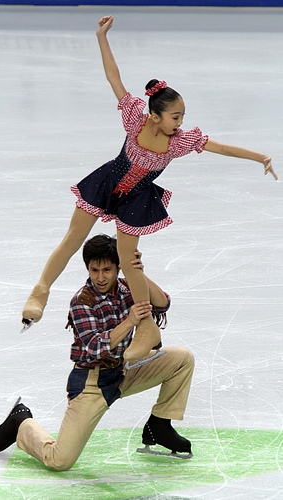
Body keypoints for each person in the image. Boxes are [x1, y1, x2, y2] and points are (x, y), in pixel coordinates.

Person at [22, 15, 278, 365]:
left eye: (183, 115)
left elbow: (220, 147)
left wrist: (258, 156)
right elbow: (114, 77)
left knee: (129, 261)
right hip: (108, 182)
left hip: (138, 199)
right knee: (72, 239)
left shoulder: (180, 142)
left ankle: (144, 327)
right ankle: (40, 290)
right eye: (176, 116)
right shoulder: (134, 118)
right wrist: (101, 37)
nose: (181, 122)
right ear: (156, 115)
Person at [0, 234, 195, 470]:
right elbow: (95, 347)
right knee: (60, 460)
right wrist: (129, 322)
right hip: (92, 382)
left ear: (118, 267)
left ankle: (159, 425)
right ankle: (21, 423)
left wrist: (137, 272)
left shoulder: (128, 286)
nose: (100, 277)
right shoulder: (82, 301)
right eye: (94, 269)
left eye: (107, 269)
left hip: (126, 370)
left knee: (182, 358)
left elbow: (162, 303)